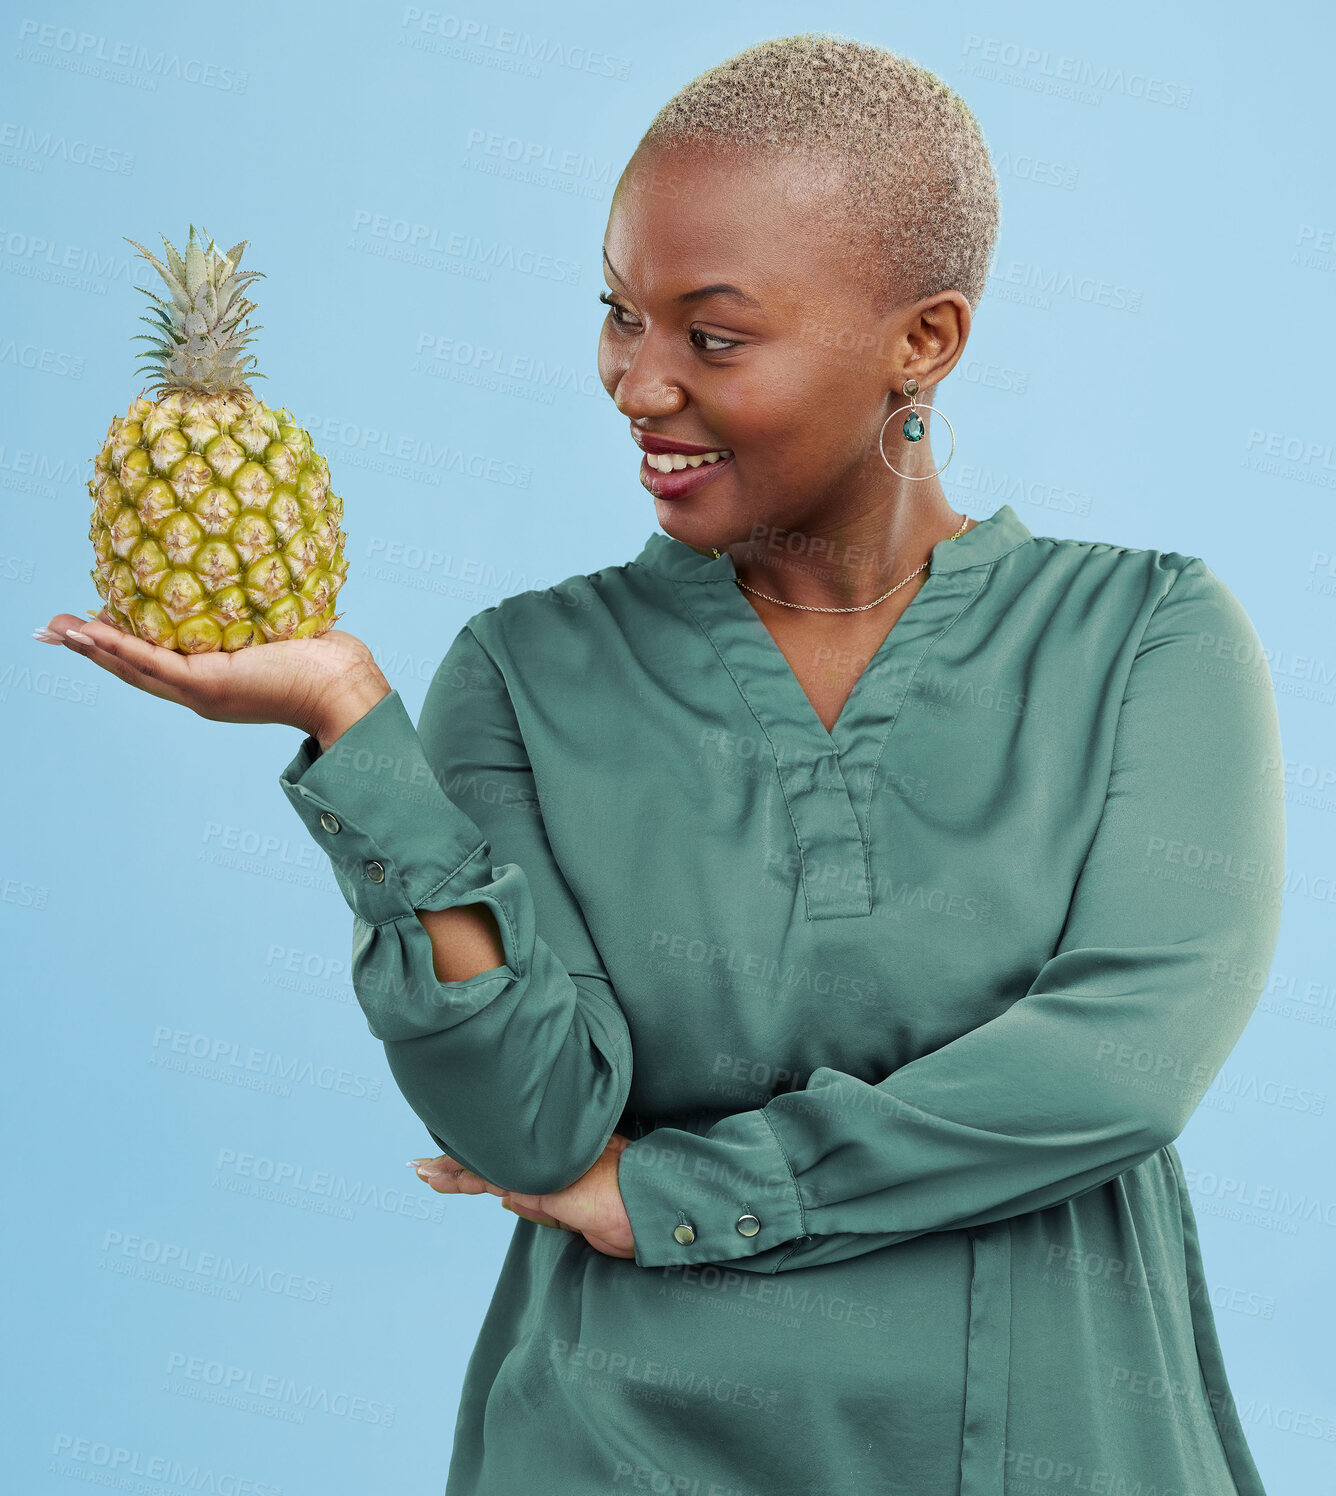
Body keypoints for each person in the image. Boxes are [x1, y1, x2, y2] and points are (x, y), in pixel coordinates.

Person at [42, 32, 1285, 1496]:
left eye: (712, 335)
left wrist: (674, 1189)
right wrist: (352, 733)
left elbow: (1119, 1067)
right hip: (611, 1448)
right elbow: (527, 1121)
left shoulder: (1145, 635)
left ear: (923, 341)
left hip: (1038, 1446)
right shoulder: (524, 667)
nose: (636, 384)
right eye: (619, 315)